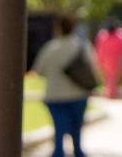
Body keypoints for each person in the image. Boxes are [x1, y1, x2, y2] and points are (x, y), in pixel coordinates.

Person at [32, 14, 98, 157]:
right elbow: (93, 68)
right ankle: (77, 151)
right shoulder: (82, 46)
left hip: (54, 95)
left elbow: (39, 71)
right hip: (78, 95)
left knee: (59, 129)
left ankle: (59, 152)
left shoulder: (50, 47)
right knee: (76, 129)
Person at [94, 20, 122, 98]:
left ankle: (110, 92)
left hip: (106, 59)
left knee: (110, 76)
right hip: (116, 59)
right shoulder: (121, 35)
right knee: (113, 76)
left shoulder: (103, 35)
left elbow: (99, 47)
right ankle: (112, 92)